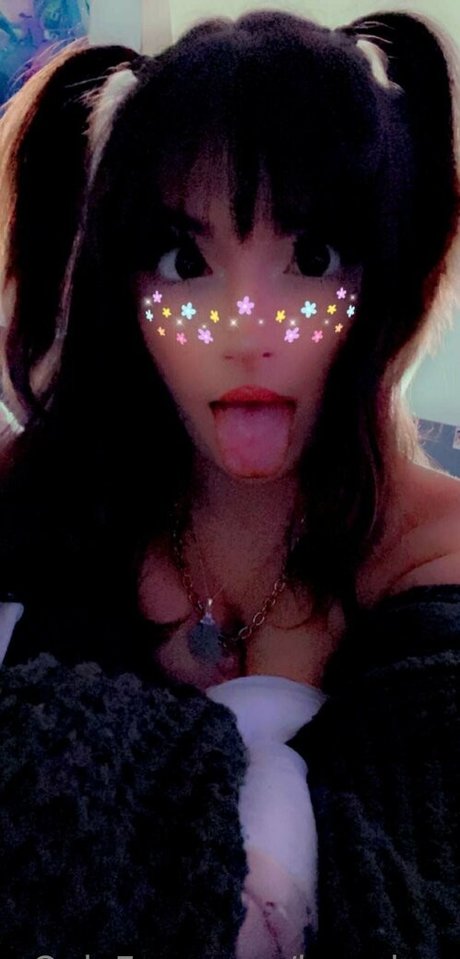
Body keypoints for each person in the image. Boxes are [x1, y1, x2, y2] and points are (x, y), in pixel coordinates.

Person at [0, 8, 459, 957]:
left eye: (313, 259)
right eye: (185, 262)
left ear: (381, 278)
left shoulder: (437, 554)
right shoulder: (35, 497)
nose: (248, 329)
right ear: (124, 288)